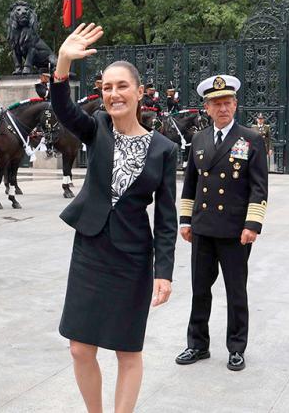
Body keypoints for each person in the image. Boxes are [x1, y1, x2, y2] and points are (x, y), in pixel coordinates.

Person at [53, 23, 177, 413]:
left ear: (139, 92)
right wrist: (62, 64)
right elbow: (63, 110)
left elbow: (167, 218)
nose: (113, 93)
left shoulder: (164, 149)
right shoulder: (97, 128)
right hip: (90, 250)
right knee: (79, 348)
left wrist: (164, 271)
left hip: (132, 259)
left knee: (127, 350)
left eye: (122, 86)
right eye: (106, 87)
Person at [176, 73, 269, 372]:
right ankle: (197, 344)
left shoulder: (251, 139)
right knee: (200, 289)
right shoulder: (199, 139)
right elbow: (190, 182)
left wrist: (252, 225)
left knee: (235, 291)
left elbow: (259, 187)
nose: (223, 108)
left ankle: (236, 347)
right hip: (203, 228)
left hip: (233, 231)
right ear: (207, 107)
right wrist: (185, 220)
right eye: (216, 103)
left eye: (227, 102)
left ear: (235, 104)